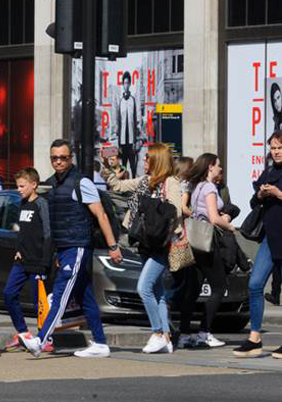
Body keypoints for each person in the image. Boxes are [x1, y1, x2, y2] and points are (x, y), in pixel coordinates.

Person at [20, 139, 122, 358]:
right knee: (84, 294)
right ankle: (101, 343)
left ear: (70, 158)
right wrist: (56, 251)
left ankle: (41, 339)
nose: (58, 162)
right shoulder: (52, 184)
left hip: (78, 245)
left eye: (63, 157)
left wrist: (113, 245)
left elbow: (101, 215)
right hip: (65, 247)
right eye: (54, 158)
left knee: (61, 292)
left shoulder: (81, 182)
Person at [104, 143, 183, 354]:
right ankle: (166, 338)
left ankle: (157, 332)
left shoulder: (170, 183)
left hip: (162, 244)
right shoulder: (145, 182)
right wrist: (109, 168)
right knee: (158, 293)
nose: (144, 162)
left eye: (148, 158)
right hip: (145, 242)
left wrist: (158, 213)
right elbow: (118, 187)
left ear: (158, 160)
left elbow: (175, 212)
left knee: (143, 288)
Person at [176, 153, 235, 350]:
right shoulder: (209, 187)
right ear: (210, 166)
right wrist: (230, 226)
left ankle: (184, 333)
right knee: (219, 287)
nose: (220, 168)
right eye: (218, 165)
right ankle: (204, 332)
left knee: (192, 290)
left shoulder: (197, 186)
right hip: (206, 242)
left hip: (195, 241)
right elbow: (213, 217)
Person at [234, 131, 282, 358]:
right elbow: (253, 202)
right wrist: (262, 195)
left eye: (280, 147)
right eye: (273, 148)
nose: (276, 152)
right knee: (255, 284)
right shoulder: (270, 171)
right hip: (270, 239)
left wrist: (279, 194)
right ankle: (254, 338)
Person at [3, 168, 54, 353]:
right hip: (22, 260)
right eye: (17, 186)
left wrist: (45, 262)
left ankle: (45, 338)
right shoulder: (22, 204)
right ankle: (23, 333)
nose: (19, 189)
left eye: (22, 186)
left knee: (39, 302)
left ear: (34, 185)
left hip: (38, 261)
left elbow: (48, 234)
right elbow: (22, 231)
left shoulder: (42, 204)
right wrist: (18, 250)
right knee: (9, 293)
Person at [116, 71, 140, 178]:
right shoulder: (120, 101)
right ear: (122, 85)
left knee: (133, 166)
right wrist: (118, 144)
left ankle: (134, 183)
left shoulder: (133, 100)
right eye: (124, 83)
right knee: (123, 166)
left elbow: (135, 121)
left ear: (130, 84)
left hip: (131, 141)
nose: (126, 85)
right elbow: (119, 122)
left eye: (127, 83)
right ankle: (124, 187)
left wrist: (135, 140)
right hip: (122, 141)